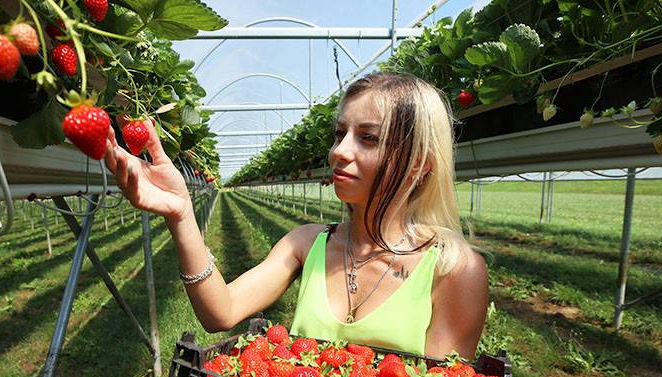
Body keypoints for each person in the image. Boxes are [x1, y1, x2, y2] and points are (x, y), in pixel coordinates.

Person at [102, 72, 488, 361]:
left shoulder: (453, 269)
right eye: (340, 134)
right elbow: (221, 312)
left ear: (420, 163)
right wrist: (181, 213)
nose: (339, 151)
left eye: (367, 137)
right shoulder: (307, 243)